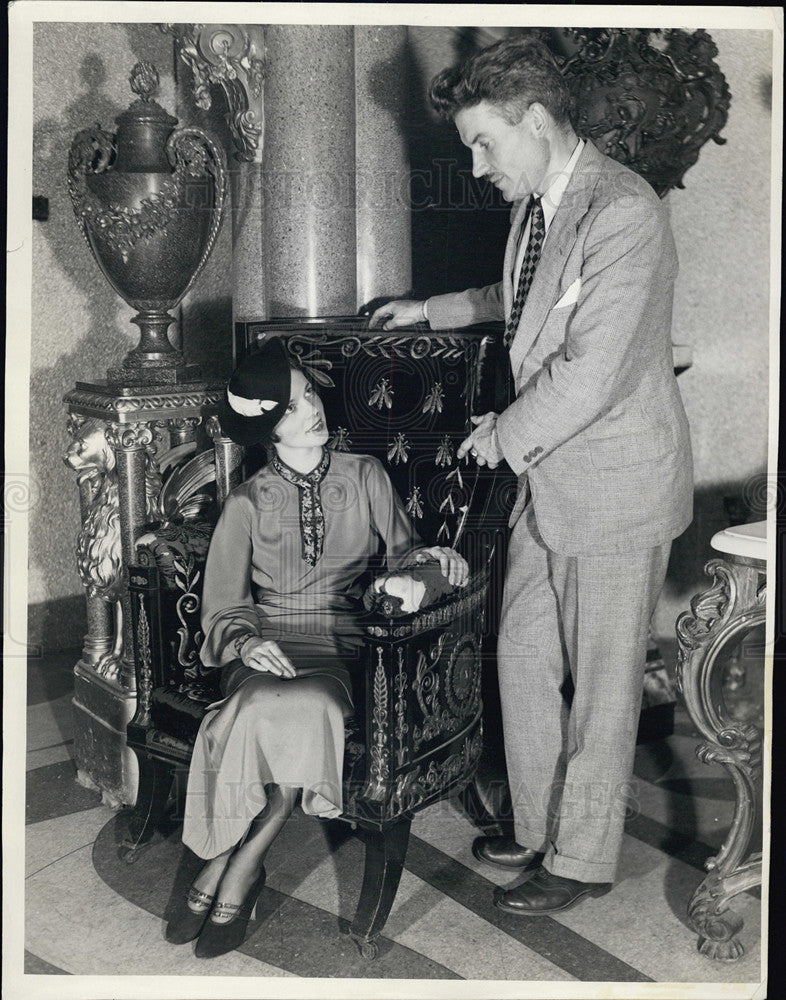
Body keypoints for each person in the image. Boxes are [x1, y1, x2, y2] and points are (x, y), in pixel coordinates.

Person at [370, 37, 693, 915]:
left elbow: (591, 369)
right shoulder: (542, 204)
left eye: (484, 143)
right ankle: (542, 821)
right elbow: (520, 299)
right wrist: (428, 309)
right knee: (520, 652)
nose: (477, 166)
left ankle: (581, 857)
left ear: (538, 122)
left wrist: (501, 438)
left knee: (602, 681)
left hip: (615, 483)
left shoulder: (624, 210)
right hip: (553, 482)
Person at [167, 337, 469, 956]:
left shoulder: (365, 475)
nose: (316, 409)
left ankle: (237, 858)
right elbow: (223, 607)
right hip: (266, 652)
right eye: (298, 403)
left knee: (315, 707)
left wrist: (414, 576)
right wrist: (246, 643)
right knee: (255, 708)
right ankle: (243, 864)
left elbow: (413, 553)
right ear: (270, 425)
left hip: (343, 649)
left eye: (312, 395)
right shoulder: (246, 503)